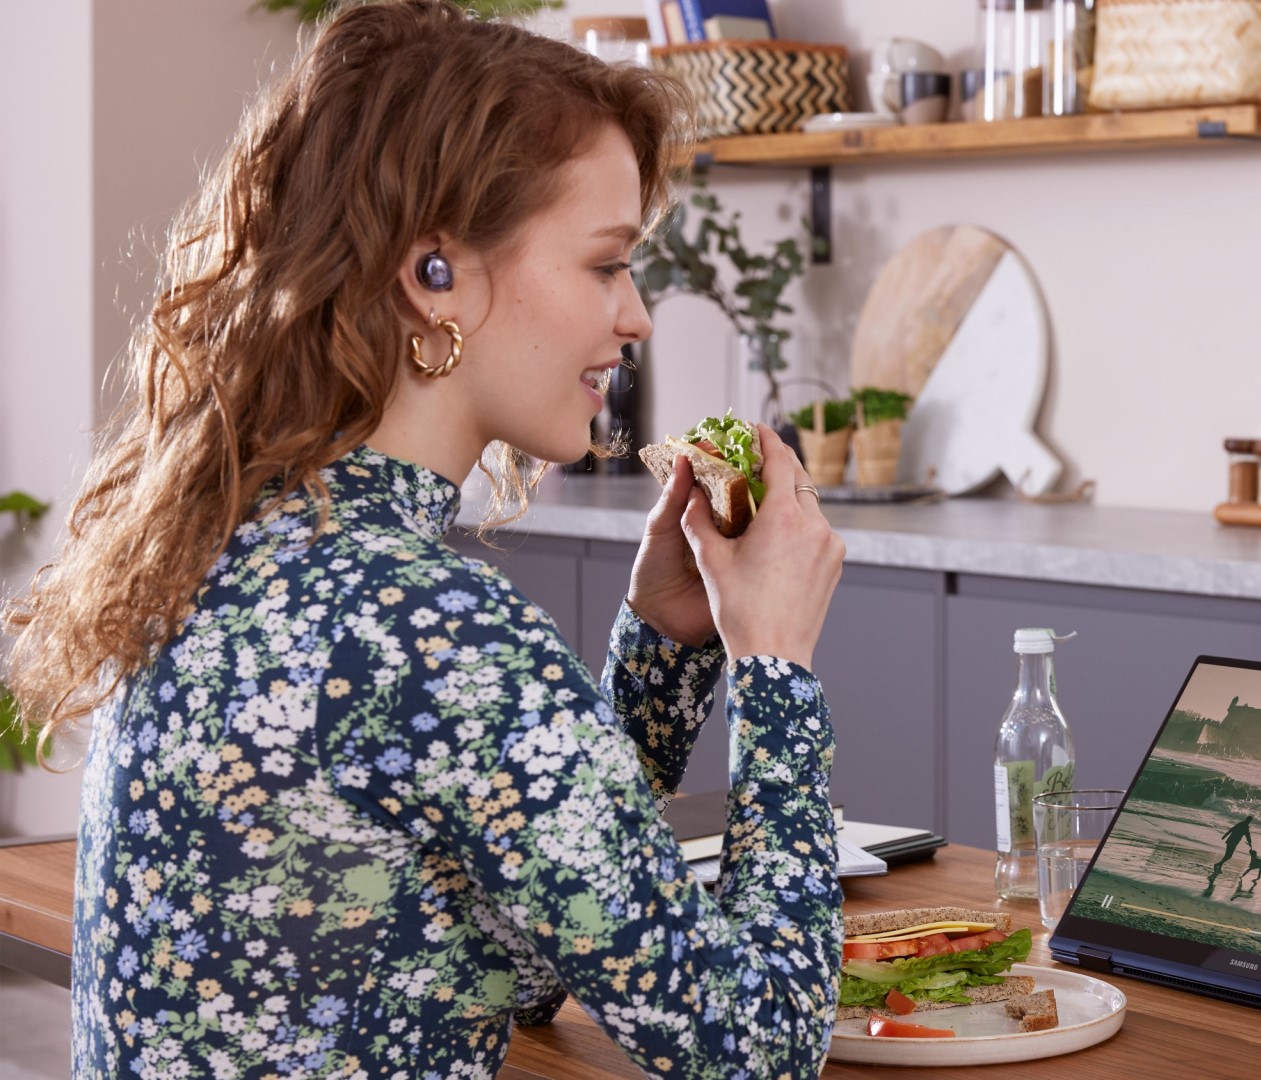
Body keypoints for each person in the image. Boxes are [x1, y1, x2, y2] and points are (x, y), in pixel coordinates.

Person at [1, 3, 847, 1076]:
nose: (635, 316)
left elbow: (531, 941)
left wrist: (666, 648)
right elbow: (758, 1049)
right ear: (433, 274)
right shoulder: (430, 629)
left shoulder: (228, 547)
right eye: (604, 265)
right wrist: (774, 665)